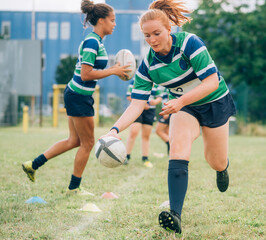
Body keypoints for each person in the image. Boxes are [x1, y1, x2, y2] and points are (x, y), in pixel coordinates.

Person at [101, 0, 236, 233]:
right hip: (184, 109)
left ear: (169, 30)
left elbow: (212, 82)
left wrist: (181, 100)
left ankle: (222, 168)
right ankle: (175, 214)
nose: (152, 40)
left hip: (214, 102)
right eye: (147, 36)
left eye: (157, 33)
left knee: (215, 160)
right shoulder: (148, 66)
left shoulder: (190, 43)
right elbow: (136, 105)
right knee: (178, 148)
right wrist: (114, 131)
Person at [22, 0, 131, 196]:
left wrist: (114, 71)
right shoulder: (92, 42)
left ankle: (33, 164)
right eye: (112, 20)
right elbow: (86, 74)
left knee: (74, 141)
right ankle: (74, 188)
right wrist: (112, 71)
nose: (115, 24)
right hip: (79, 96)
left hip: (77, 94)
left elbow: (90, 72)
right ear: (101, 20)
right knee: (87, 143)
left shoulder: (96, 41)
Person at [124, 80, 162, 168]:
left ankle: (145, 158)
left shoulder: (156, 82)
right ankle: (126, 156)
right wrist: (142, 104)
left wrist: (155, 102)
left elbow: (159, 97)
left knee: (146, 135)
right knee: (134, 132)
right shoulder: (135, 80)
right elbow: (129, 96)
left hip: (150, 111)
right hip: (136, 109)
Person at [155, 86, 170, 155]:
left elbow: (170, 97)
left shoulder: (168, 86)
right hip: (168, 110)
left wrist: (167, 111)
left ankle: (170, 144)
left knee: (158, 131)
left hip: (168, 111)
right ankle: (170, 153)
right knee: (167, 132)